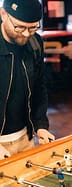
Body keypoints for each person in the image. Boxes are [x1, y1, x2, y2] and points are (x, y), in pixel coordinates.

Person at [0, 0, 55, 159]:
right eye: (20, 27)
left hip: (25, 138)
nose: (26, 34)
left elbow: (39, 87)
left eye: (33, 27)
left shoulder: (35, 42)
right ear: (3, 14)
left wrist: (40, 126)